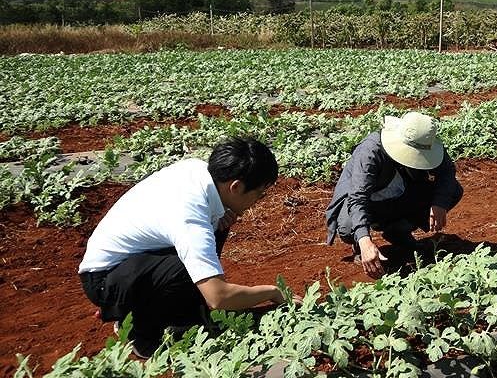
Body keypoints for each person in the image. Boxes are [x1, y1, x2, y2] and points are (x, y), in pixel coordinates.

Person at [78, 137, 288, 358]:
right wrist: (272, 292)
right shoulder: (191, 219)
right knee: (187, 268)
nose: (259, 200)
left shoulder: (197, 169)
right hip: (105, 282)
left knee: (215, 229)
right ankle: (144, 334)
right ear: (235, 186)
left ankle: (174, 313)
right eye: (259, 193)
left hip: (128, 267)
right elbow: (218, 297)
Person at [326, 111, 463, 276]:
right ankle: (360, 246)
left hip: (400, 195)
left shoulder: (425, 140)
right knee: (348, 227)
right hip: (370, 203)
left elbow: (447, 172)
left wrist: (439, 202)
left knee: (452, 191)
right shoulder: (371, 151)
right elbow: (358, 197)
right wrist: (364, 239)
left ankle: (398, 231)